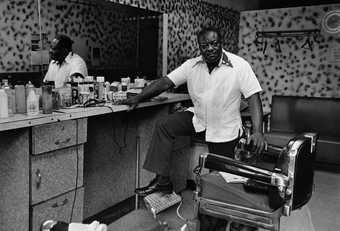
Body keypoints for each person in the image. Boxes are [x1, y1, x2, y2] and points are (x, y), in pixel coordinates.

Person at [123, 26, 266, 231]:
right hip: (198, 119)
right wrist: (138, 97)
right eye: (205, 45)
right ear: (199, 46)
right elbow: (165, 82)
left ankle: (222, 220)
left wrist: (259, 131)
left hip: (224, 128)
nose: (210, 48)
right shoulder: (192, 66)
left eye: (214, 43)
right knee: (165, 125)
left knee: (221, 182)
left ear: (220, 42)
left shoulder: (239, 65)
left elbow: (253, 96)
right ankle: (163, 181)